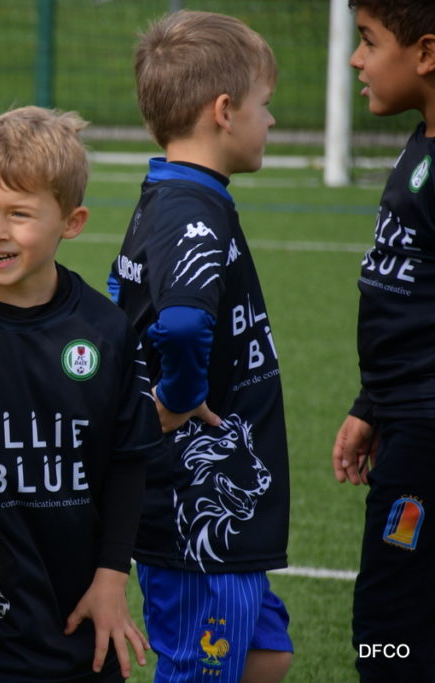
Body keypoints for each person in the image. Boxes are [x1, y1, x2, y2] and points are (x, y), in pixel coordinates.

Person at [107, 10, 294, 682]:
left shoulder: (180, 192)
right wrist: (181, 397)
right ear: (224, 111)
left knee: (266, 655)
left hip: (217, 517)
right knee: (201, 670)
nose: (270, 120)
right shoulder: (190, 207)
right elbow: (184, 324)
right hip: (195, 507)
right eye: (264, 105)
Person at [0, 105, 161, 683]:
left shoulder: (105, 329)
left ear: (72, 221)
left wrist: (112, 577)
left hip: (83, 603)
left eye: (19, 214)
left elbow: (127, 462)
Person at [330, 1, 435, 679]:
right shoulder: (422, 143)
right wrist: (373, 402)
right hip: (404, 421)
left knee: (388, 625)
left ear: (425, 53)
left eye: (368, 41)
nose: (355, 59)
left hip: (424, 440)